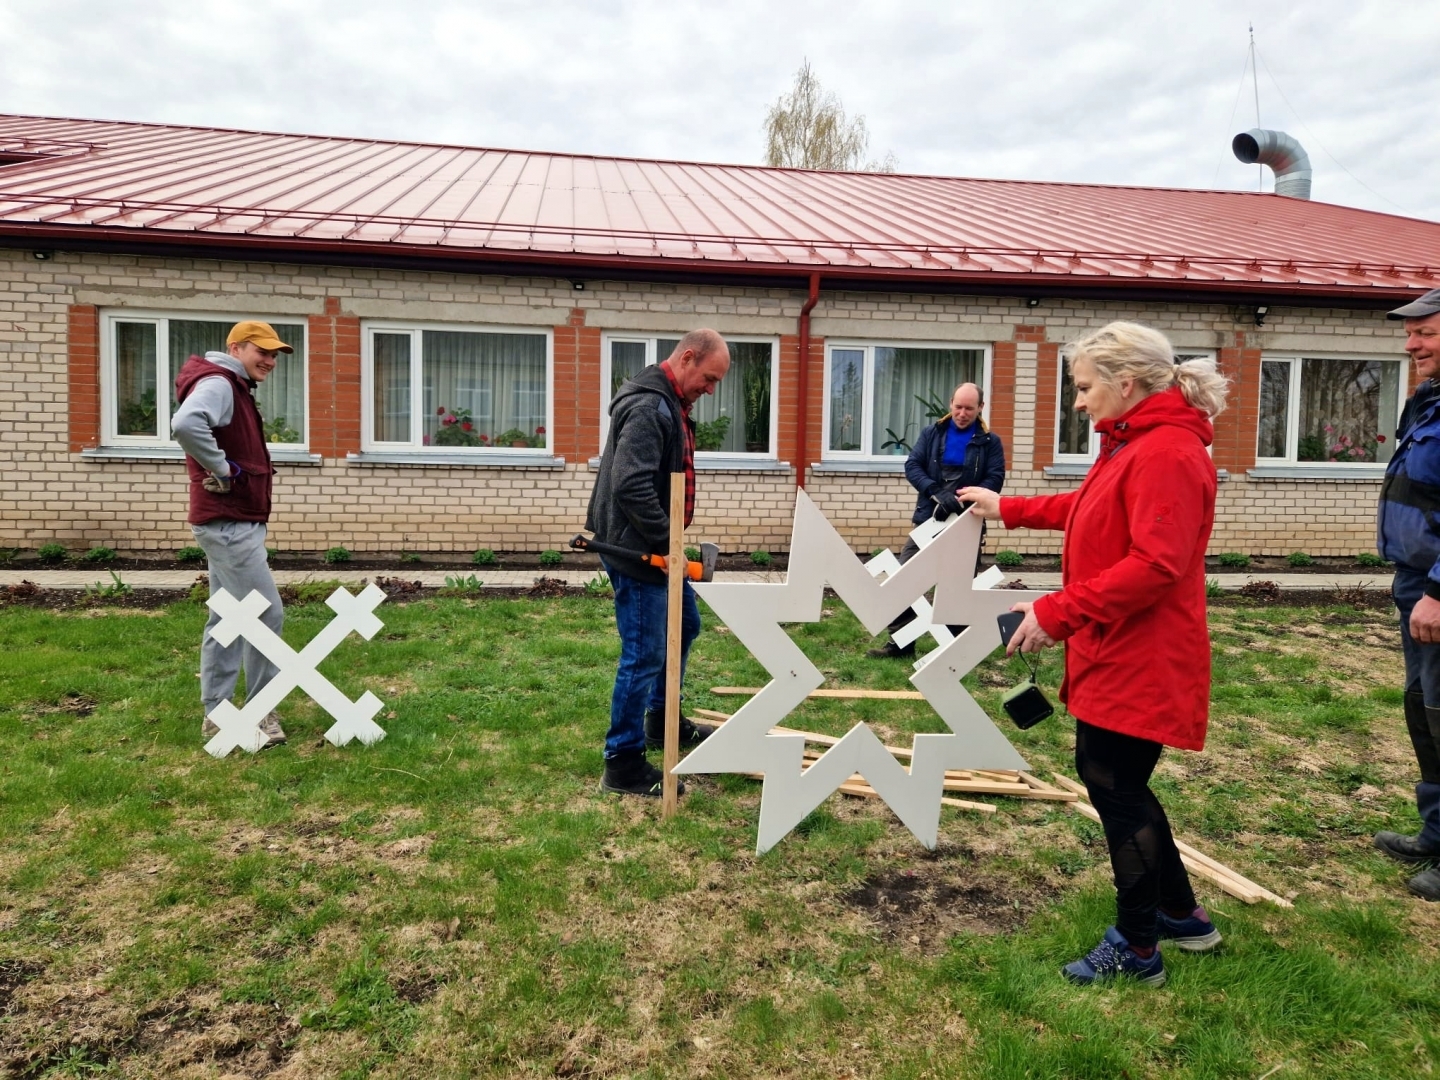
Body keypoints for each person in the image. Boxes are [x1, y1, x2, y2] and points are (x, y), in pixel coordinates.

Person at [960, 321, 1229, 987]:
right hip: (1118, 644)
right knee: (1118, 780)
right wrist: (1010, 508)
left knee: (1114, 784)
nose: (1077, 403)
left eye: (1083, 388)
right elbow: (1091, 507)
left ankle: (1139, 949)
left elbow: (1156, 565)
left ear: (1126, 384)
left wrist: (1056, 611)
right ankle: (1180, 915)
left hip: (1144, 651)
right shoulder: (1135, 444)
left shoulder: (1165, 452)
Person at [587, 329, 731, 797]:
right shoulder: (652, 407)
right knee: (645, 652)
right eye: (708, 379)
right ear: (687, 358)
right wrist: (668, 544)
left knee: (684, 626)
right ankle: (623, 760)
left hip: (652, 543)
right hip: (637, 549)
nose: (710, 390)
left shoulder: (670, 403)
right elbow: (631, 485)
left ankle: (662, 721)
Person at [172, 321, 291, 749]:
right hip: (228, 521)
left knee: (226, 618)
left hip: (232, 520)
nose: (270, 361)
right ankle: (260, 712)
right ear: (236, 347)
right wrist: (221, 468)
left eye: (275, 354)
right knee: (266, 613)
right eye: (262, 351)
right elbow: (186, 424)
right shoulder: (219, 383)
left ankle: (218, 713)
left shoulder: (233, 385)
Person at [1374, 287, 1440, 902]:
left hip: (1437, 590)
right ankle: (1436, 832)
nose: (1411, 344)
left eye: (1426, 334)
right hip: (1415, 583)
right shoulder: (1428, 403)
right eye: (1410, 333)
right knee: (1425, 709)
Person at [868, 382, 1005, 658]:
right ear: (950, 404)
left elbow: (995, 479)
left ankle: (952, 649)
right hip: (927, 519)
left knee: (958, 586)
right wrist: (935, 493)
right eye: (958, 407)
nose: (962, 413)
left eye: (969, 408)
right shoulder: (932, 433)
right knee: (904, 578)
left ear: (980, 408)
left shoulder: (990, 442)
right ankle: (900, 644)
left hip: (967, 522)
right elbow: (913, 466)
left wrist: (960, 499)